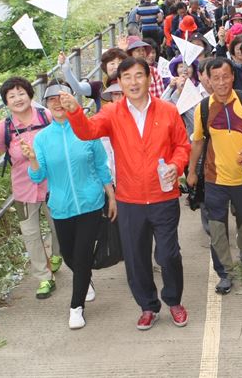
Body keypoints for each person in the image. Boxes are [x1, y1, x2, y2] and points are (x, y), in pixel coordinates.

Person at [61, 57, 191, 331]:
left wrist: (175, 165)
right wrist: (74, 112)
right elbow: (88, 131)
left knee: (168, 255)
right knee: (135, 258)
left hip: (163, 197)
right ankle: (147, 306)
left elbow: (182, 145)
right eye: (127, 77)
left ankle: (174, 301)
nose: (133, 82)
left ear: (149, 78)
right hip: (130, 200)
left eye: (139, 75)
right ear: (118, 82)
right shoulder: (111, 113)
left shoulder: (167, 111)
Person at [22, 82, 116, 330]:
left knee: (83, 252)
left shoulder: (87, 129)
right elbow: (37, 176)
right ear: (47, 105)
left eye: (61, 97)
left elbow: (101, 165)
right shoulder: (42, 139)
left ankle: (76, 307)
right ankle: (86, 280)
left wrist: (112, 196)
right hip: (61, 206)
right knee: (69, 255)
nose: (57, 102)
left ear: (71, 100)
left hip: (91, 202)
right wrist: (31, 159)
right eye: (50, 99)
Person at [187, 57, 242, 294]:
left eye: (226, 76)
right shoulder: (203, 108)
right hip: (214, 179)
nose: (221, 82)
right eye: (216, 78)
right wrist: (192, 172)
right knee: (217, 227)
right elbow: (197, 142)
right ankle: (224, 273)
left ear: (233, 76)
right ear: (208, 81)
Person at [0, 77, 61, 300]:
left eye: (21, 93)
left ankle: (58, 255)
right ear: (6, 102)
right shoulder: (6, 127)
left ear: (30, 94)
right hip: (24, 188)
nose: (17, 99)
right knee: (30, 234)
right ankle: (44, 277)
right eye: (11, 96)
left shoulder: (46, 116)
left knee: (58, 226)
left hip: (54, 184)